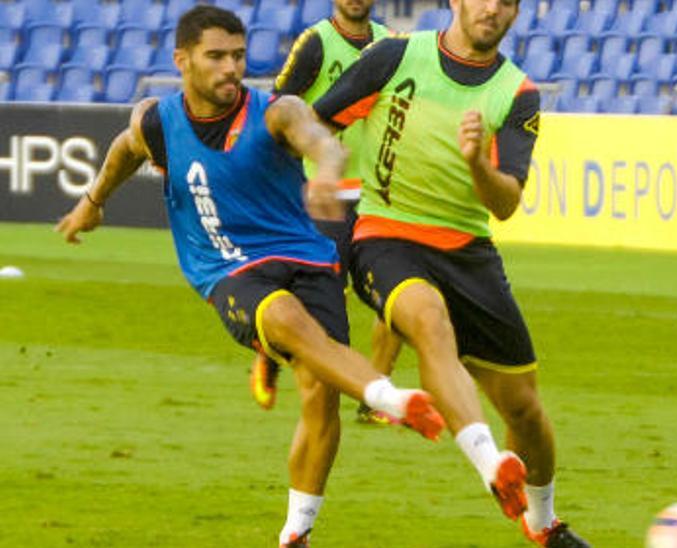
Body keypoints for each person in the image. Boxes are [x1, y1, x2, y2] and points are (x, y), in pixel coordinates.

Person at [53, 7, 445, 547]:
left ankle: (296, 532)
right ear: (182, 60)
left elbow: (322, 140)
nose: (230, 68)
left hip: (308, 256)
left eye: (238, 56)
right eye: (216, 57)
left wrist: (328, 173)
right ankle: (391, 399)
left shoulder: (275, 112)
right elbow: (124, 149)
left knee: (320, 393)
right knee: (285, 319)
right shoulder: (156, 120)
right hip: (228, 270)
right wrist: (92, 203)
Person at [311, 0, 589, 545]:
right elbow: (314, 120)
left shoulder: (517, 94)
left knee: (525, 410)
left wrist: (477, 165)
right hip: (385, 235)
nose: (493, 9)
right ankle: (490, 464)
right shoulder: (392, 57)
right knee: (429, 321)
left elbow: (505, 202)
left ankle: (543, 524)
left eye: (507, 2)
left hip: (468, 251)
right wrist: (324, 166)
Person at [271, 0, 403, 425]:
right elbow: (278, 109)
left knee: (399, 297)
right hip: (323, 193)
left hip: (379, 196)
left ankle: (375, 397)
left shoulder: (391, 45)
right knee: (322, 303)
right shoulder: (315, 43)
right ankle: (276, 354)